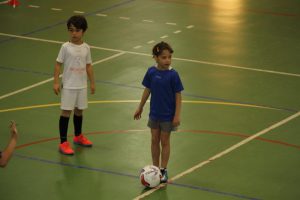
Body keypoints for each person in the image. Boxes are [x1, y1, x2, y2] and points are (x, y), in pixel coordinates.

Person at [134, 41, 184, 183]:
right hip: (154, 114)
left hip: (168, 116)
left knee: (165, 141)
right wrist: (140, 106)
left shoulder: (173, 75)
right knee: (154, 140)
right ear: (155, 58)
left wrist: (177, 115)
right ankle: (155, 169)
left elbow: (178, 96)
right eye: (163, 57)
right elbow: (147, 90)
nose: (167, 60)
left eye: (169, 57)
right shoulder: (151, 72)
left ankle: (163, 170)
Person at [53, 15, 95, 155]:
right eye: (71, 30)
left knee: (79, 111)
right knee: (66, 112)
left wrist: (92, 83)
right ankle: (63, 142)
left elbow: (88, 66)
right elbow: (58, 64)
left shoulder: (86, 48)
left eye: (77, 30)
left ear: (83, 31)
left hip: (81, 86)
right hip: (69, 86)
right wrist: (56, 82)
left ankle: (78, 136)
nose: (74, 33)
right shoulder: (65, 47)